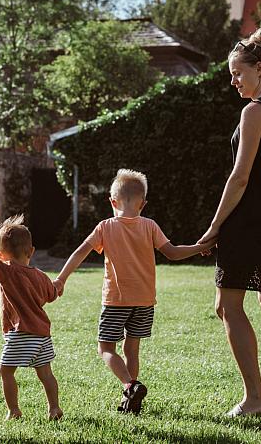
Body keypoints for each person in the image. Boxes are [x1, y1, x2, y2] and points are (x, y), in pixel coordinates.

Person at [197, 27, 261, 417]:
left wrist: (214, 226)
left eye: (238, 73)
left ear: (259, 68)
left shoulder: (254, 111)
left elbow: (240, 176)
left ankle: (256, 396)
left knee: (227, 304)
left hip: (249, 224)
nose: (233, 81)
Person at [55, 169, 211, 414]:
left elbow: (79, 253)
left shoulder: (105, 227)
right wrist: (199, 247)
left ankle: (130, 385)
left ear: (112, 202)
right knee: (132, 350)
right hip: (144, 301)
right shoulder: (150, 226)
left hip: (116, 300)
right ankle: (130, 400)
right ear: (143, 203)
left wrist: (61, 279)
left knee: (105, 349)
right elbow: (172, 252)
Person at [0, 214, 63, 421]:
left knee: (5, 372)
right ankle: (54, 408)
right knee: (46, 374)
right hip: (42, 333)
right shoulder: (41, 275)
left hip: (21, 332)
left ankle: (13, 410)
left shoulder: (6, 270)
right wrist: (57, 285)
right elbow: (52, 294)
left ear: (0, 255)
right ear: (31, 251)